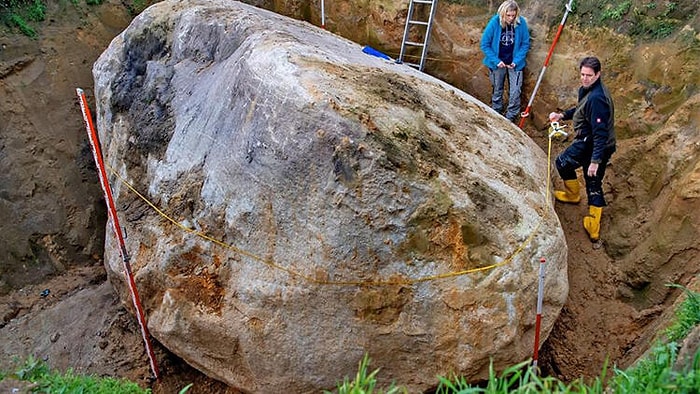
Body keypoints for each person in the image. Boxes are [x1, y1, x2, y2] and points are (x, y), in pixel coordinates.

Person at [549, 56, 616, 242]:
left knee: (568, 166)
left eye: (589, 75)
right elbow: (580, 110)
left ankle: (592, 223)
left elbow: (600, 134)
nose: (585, 78)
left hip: (593, 144)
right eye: (582, 74)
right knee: (588, 177)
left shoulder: (597, 99)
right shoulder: (589, 91)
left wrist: (595, 161)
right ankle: (574, 196)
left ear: (598, 74)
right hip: (592, 142)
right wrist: (561, 115)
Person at [480, 0, 530, 123]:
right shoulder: (494, 23)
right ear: (503, 14)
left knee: (515, 90)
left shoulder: (521, 23)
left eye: (513, 15)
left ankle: (511, 116)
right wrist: (496, 61)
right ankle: (496, 111)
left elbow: (525, 44)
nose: (511, 18)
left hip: (515, 64)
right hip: (497, 63)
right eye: (508, 15)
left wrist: (517, 60)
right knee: (497, 88)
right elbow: (484, 44)